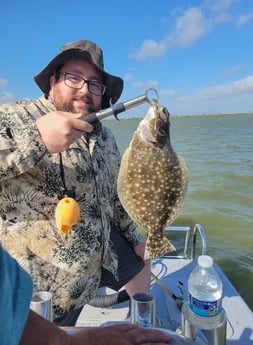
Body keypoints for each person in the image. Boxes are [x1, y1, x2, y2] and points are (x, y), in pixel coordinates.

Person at [0, 39, 151, 326]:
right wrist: (35, 139)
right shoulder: (17, 116)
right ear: (53, 81)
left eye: (95, 83)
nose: (85, 89)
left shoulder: (104, 137)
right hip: (41, 297)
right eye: (74, 77)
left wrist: (136, 238)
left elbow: (115, 199)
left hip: (98, 264)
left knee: (143, 257)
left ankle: (143, 322)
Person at [0, 243, 172, 345]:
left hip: (101, 242)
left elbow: (111, 194)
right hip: (52, 257)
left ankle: (143, 321)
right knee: (57, 314)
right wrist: (67, 342)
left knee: (140, 262)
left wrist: (134, 237)